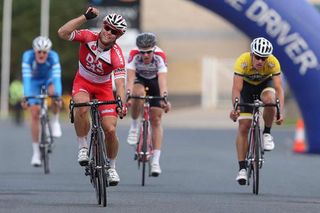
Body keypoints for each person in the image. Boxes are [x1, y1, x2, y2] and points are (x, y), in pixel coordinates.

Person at [57, 7, 127, 186]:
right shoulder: (88, 36)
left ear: (118, 36)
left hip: (103, 88)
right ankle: (82, 146)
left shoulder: (117, 56)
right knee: (82, 105)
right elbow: (62, 33)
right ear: (103, 26)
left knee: (110, 129)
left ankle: (111, 167)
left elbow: (120, 84)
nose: (109, 33)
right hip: (83, 82)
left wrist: (122, 103)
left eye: (114, 32)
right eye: (107, 27)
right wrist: (84, 17)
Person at [229, 37, 284, 185]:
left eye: (263, 58)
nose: (260, 61)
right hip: (246, 88)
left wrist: (280, 111)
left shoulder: (273, 62)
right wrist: (235, 108)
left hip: (265, 84)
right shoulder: (243, 61)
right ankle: (241, 169)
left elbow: (279, 88)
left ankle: (266, 133)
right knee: (244, 126)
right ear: (252, 54)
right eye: (258, 57)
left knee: (270, 101)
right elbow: (236, 88)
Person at [126, 32, 171, 177]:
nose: (145, 56)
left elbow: (163, 81)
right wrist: (128, 96)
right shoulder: (133, 55)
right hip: (139, 79)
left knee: (156, 119)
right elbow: (130, 79)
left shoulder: (160, 56)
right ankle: (134, 127)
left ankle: (156, 161)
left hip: (154, 81)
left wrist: (164, 98)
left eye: (148, 52)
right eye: (143, 52)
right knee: (137, 94)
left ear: (154, 49)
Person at [21, 36, 62, 167]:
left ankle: (55, 121)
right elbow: (26, 79)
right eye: (39, 51)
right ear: (34, 51)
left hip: (48, 80)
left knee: (54, 95)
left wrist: (58, 95)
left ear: (48, 52)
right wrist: (26, 97)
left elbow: (56, 78)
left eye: (45, 52)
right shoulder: (27, 57)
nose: (42, 54)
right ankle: (36, 153)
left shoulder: (54, 57)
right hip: (33, 82)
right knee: (34, 113)